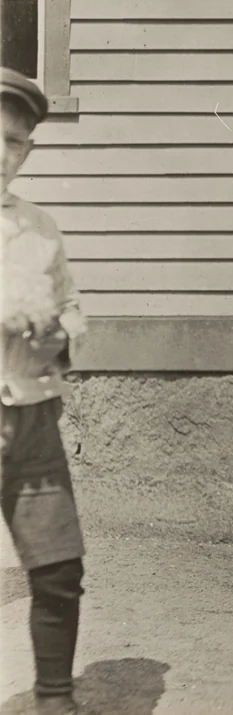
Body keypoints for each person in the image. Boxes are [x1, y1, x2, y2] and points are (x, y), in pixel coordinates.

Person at [1, 67, 88, 713]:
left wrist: (59, 330)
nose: (4, 154)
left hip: (31, 418)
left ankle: (54, 699)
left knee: (58, 569)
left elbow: (73, 307)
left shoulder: (40, 226)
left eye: (16, 141)